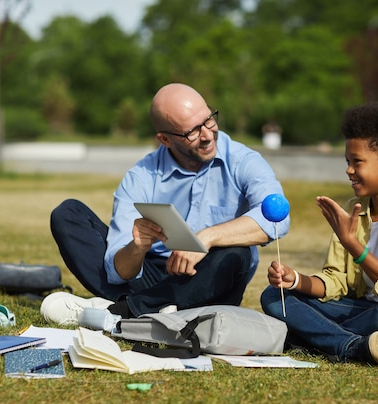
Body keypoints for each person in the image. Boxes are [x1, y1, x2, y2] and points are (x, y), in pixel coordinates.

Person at [42, 83, 290, 325]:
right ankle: (151, 310)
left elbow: (277, 220)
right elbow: (119, 271)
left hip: (208, 278)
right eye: (192, 132)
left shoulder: (245, 161)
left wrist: (207, 238)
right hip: (149, 274)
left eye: (209, 120)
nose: (207, 135)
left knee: (237, 253)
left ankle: (121, 311)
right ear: (165, 139)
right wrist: (137, 247)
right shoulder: (140, 176)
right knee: (68, 213)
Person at [260, 102, 378, 365]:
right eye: (348, 162)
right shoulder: (353, 210)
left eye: (357, 162)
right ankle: (351, 346)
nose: (349, 170)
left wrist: (353, 245)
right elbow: (336, 281)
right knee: (274, 297)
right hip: (364, 309)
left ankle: (312, 335)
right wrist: (295, 280)